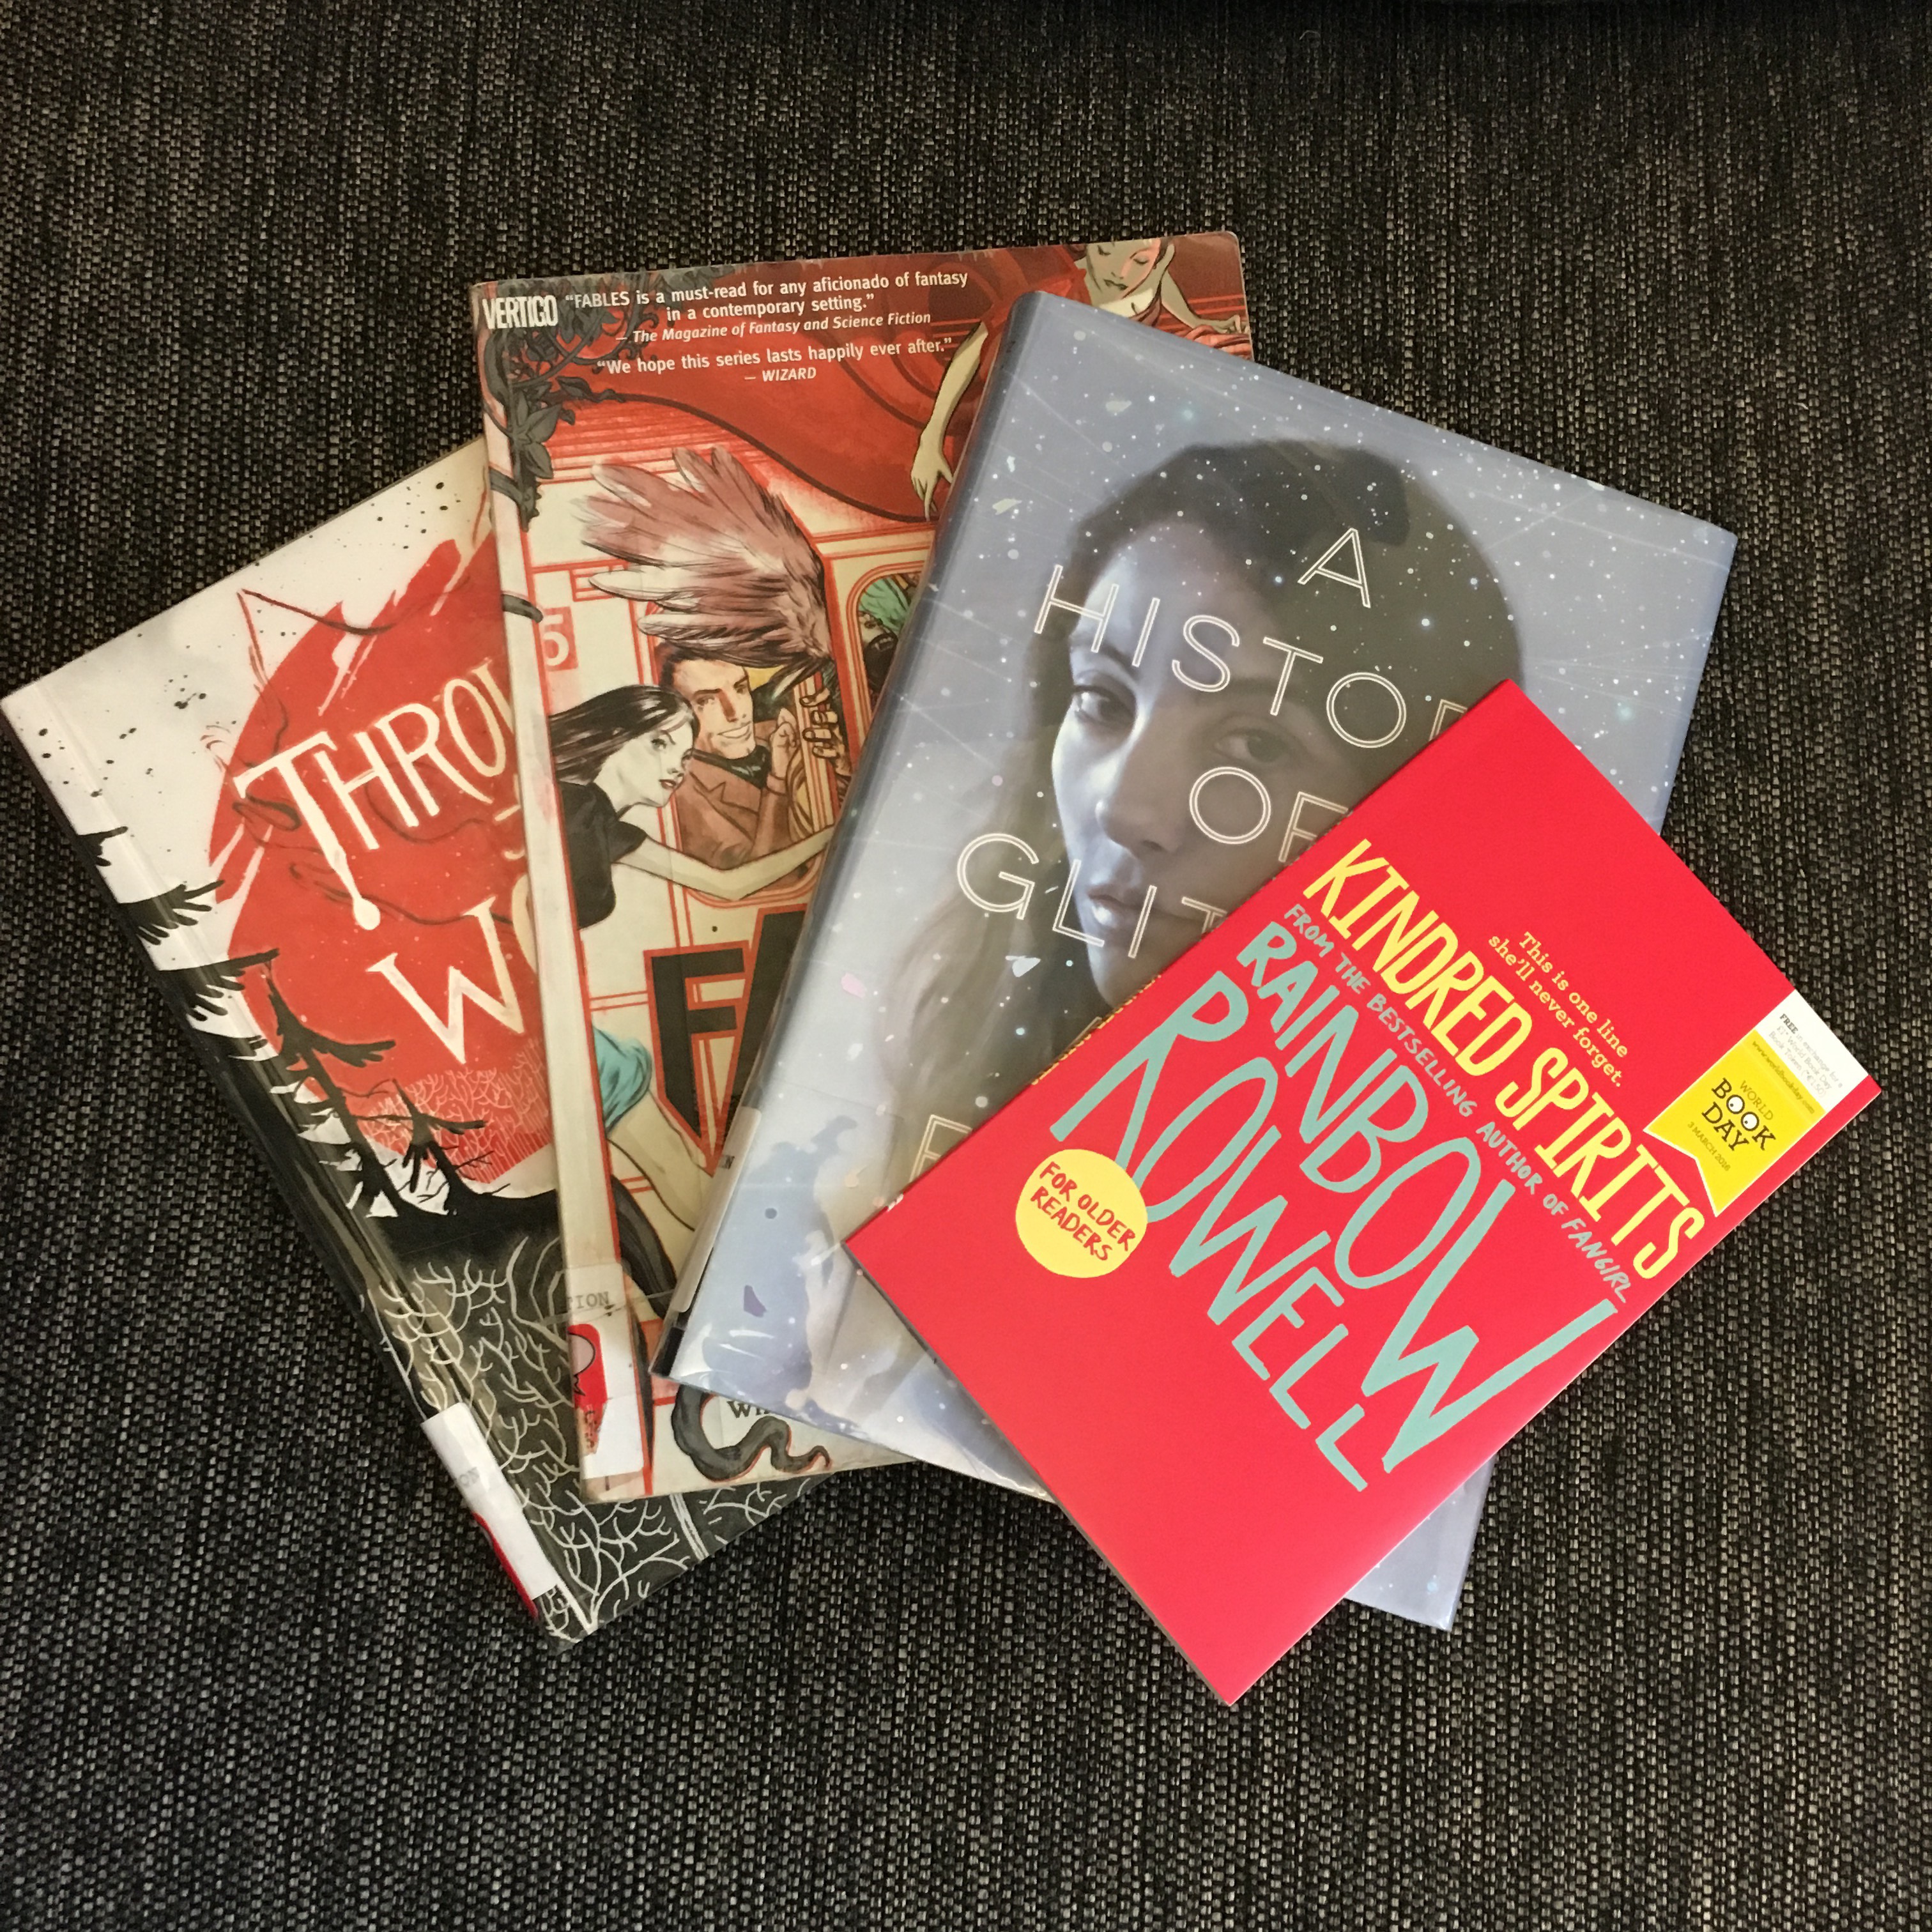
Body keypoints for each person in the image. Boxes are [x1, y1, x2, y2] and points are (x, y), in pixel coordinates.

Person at [886, 440, 1523, 1175]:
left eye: (1257, 745)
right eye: (1102, 700)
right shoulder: (960, 1075)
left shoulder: (1437, 1181)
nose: (1126, 812)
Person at [548, 683, 832, 1231]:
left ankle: (745, 1248)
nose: (677, 767)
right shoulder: (560, 801)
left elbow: (730, 885)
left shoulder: (611, 830)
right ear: (615, 737)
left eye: (684, 754)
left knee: (670, 1163)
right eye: (660, 744)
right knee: (667, 1162)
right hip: (530, 1011)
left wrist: (831, 835)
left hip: (555, 1016)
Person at [910, 239, 1252, 514]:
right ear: (1086, 248)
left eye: (1140, 261)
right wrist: (931, 437)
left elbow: (1158, 285)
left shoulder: (1149, 279)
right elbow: (975, 345)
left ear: (1159, 260)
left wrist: (1197, 320)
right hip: (1039, 408)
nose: (1120, 272)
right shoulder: (1055, 294)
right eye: (1105, 253)